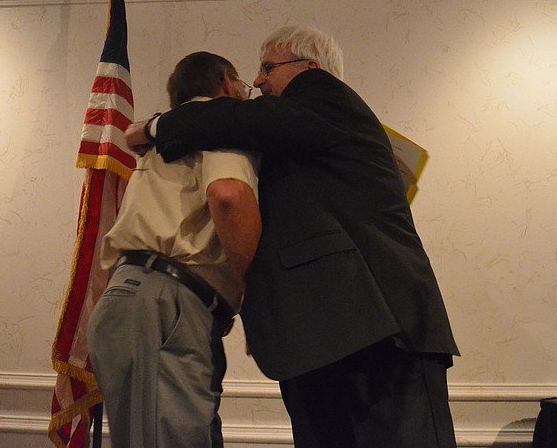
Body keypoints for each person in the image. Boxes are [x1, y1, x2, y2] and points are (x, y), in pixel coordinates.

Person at [127, 26, 460, 447]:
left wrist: (157, 127)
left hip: (382, 329)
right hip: (325, 336)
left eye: (268, 67)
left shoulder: (326, 95)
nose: (259, 81)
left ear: (310, 67)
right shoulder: (293, 133)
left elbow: (233, 116)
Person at [87, 51, 261, 448]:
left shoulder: (163, 139)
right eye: (245, 86)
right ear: (225, 83)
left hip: (135, 299)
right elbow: (229, 194)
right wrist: (254, 293)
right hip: (167, 304)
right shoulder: (220, 126)